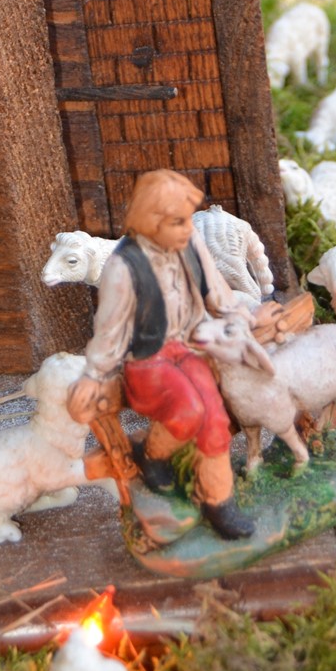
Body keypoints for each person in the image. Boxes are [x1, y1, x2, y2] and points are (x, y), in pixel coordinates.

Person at [66, 170, 255, 541]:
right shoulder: (124, 266)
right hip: (147, 360)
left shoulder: (190, 241)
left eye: (187, 219)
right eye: (177, 221)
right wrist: (94, 375)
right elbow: (110, 331)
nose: (188, 228)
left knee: (215, 417)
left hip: (189, 347)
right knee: (189, 411)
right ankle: (153, 454)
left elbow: (216, 291)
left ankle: (219, 501)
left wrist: (240, 316)